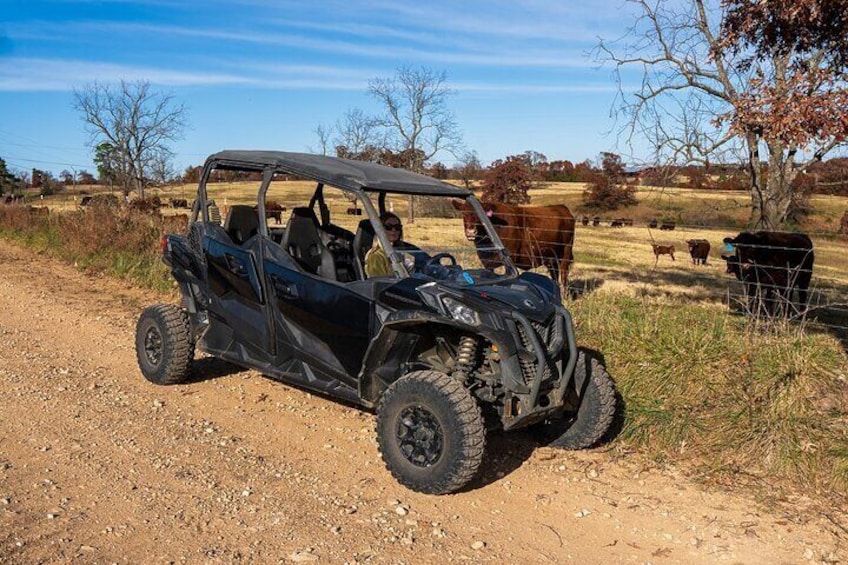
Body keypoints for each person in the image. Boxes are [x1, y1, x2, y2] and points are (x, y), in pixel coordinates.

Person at [364, 212, 429, 277]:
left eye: (397, 227)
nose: (394, 230)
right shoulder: (375, 256)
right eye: (389, 227)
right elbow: (378, 283)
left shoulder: (402, 250)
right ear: (380, 229)